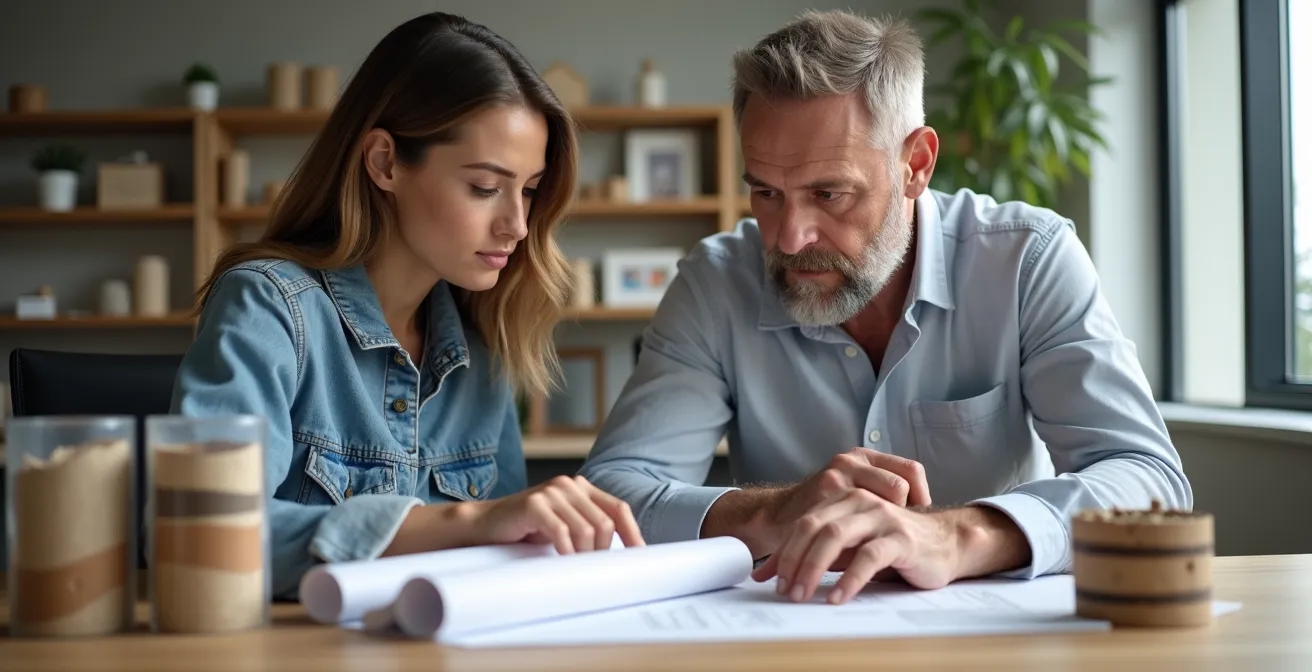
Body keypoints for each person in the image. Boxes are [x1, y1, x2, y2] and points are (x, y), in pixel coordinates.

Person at [579, 9, 1189, 606]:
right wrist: (775, 509)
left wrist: (957, 535)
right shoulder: (717, 283)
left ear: (916, 165)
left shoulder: (1028, 261)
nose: (789, 238)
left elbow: (1147, 478)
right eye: (766, 192)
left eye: (829, 194)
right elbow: (609, 493)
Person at [170, 12, 643, 600]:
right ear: (385, 162)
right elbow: (199, 533)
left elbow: (509, 564)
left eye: (527, 190)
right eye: (484, 187)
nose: (518, 225)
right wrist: (465, 522)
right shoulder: (269, 306)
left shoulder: (485, 339)